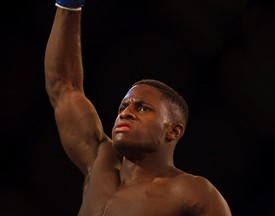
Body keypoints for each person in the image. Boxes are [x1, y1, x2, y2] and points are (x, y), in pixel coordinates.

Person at [44, 1, 232, 215]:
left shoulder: (191, 192)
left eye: (143, 109)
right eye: (124, 106)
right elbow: (63, 86)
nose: (126, 113)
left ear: (173, 130)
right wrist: (69, 4)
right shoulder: (100, 163)